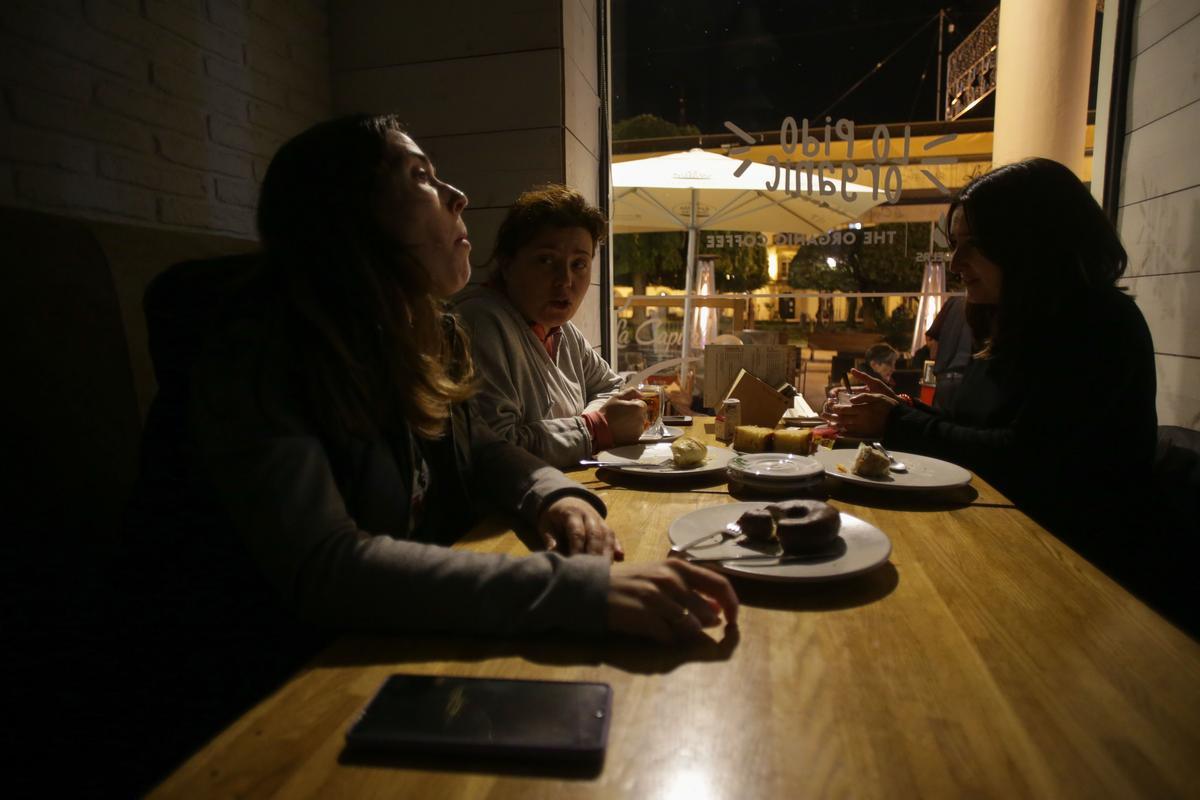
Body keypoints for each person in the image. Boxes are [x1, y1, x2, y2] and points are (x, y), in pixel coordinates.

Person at [133, 115, 737, 646]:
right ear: (348, 211)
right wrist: (572, 591)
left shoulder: (423, 334)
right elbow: (324, 568)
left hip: (389, 636)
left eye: (580, 264)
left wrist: (556, 494)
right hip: (270, 681)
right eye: (422, 176)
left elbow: (478, 447)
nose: (459, 195)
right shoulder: (255, 347)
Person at [832, 157, 1156, 548]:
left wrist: (898, 421)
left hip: (1073, 558)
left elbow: (1022, 459)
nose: (955, 263)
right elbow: (979, 428)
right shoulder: (1016, 320)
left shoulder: (1099, 326)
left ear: (1033, 242)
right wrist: (901, 408)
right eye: (955, 245)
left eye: (975, 245)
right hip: (1002, 531)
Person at [453, 185, 648, 469]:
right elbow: (498, 451)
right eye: (546, 260)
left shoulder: (563, 331)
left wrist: (595, 421)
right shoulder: (479, 322)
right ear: (506, 263)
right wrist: (595, 428)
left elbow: (611, 388)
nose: (565, 280)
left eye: (579, 264)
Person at [925, 295, 973, 410]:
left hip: (944, 378)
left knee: (940, 424)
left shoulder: (953, 302)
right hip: (969, 379)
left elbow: (933, 347)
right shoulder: (987, 304)